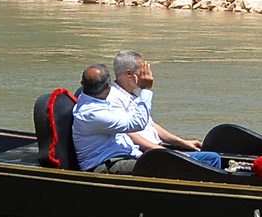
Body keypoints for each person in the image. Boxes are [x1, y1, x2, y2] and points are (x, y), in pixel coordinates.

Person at [70, 55, 225, 172]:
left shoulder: (91, 98)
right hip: (105, 165)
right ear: (109, 88)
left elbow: (145, 124)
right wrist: (147, 90)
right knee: (170, 165)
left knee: (211, 159)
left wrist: (179, 143)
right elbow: (136, 124)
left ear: (82, 84)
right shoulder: (92, 113)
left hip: (124, 155)